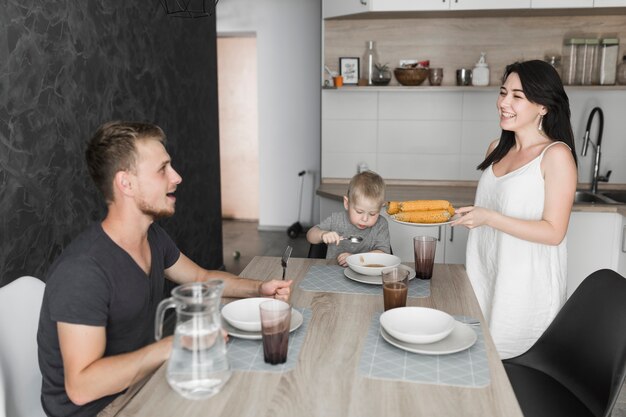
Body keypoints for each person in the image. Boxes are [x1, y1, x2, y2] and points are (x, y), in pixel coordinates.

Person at [37, 121, 292, 417]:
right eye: (163, 169)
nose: (177, 177)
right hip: (101, 409)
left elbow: (201, 277)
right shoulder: (82, 272)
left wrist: (258, 289)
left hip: (141, 386)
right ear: (126, 184)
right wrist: (174, 345)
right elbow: (81, 387)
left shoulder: (153, 237)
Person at [452, 60, 578, 359]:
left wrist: (489, 218)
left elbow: (553, 232)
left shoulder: (556, 155)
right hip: (486, 275)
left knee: (509, 374)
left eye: (517, 96)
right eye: (503, 92)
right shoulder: (496, 147)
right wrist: (473, 215)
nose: (504, 103)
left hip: (524, 290)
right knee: (480, 364)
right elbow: (491, 208)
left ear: (543, 107)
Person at [306, 170, 391, 266]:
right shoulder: (336, 220)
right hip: (333, 272)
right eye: (359, 212)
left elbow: (384, 255)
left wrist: (355, 259)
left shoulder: (381, 224)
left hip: (366, 275)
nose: (365, 219)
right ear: (347, 203)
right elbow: (310, 236)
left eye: (372, 214)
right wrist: (322, 234)